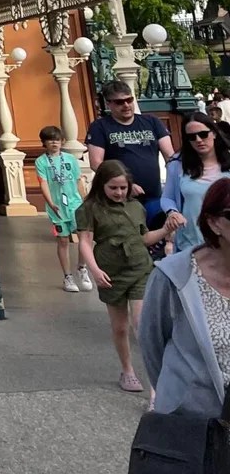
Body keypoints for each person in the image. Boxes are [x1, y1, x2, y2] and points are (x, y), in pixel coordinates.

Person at [77, 159, 179, 392]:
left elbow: (144, 238)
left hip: (139, 267)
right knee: (120, 326)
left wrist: (165, 231)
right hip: (110, 271)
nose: (119, 192)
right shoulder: (89, 209)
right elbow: (84, 241)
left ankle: (155, 385)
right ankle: (127, 370)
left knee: (141, 325)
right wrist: (94, 269)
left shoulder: (135, 207)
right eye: (113, 187)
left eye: (123, 188)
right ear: (102, 184)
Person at [140, 175, 230, 416]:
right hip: (193, 423)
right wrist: (179, 395)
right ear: (213, 223)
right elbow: (152, 344)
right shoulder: (174, 276)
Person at [86, 81, 176, 225]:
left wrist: (175, 184)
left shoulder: (151, 121)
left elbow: (170, 156)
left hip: (154, 195)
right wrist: (126, 185)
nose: (126, 105)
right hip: (119, 198)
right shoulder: (100, 127)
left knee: (156, 239)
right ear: (109, 104)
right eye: (120, 102)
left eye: (129, 100)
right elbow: (96, 163)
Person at [34, 125, 92, 292]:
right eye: (50, 140)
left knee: (84, 236)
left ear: (62, 142)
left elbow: (77, 180)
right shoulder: (41, 162)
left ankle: (82, 267)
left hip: (75, 203)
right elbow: (43, 183)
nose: (54, 143)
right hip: (57, 207)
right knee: (63, 240)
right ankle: (68, 276)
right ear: (44, 143)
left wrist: (84, 199)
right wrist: (51, 203)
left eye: (57, 140)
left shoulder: (70, 159)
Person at [163, 112, 230, 252]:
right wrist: (172, 212)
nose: (198, 140)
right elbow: (167, 197)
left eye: (203, 134)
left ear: (214, 134)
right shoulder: (177, 164)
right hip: (191, 241)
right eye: (191, 137)